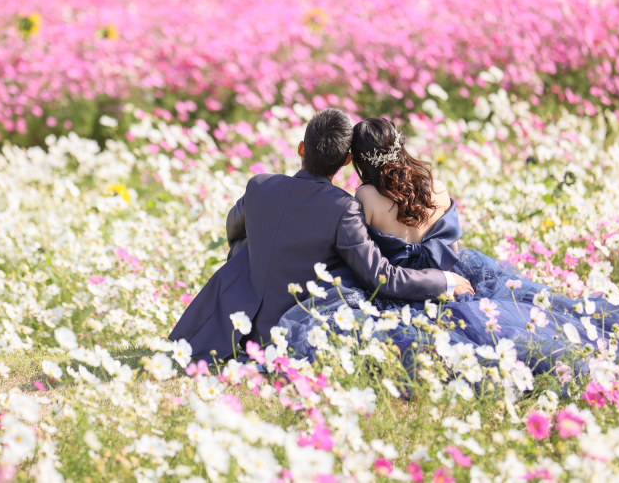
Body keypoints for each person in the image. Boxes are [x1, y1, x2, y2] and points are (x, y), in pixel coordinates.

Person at [278, 117, 619, 371]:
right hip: (455, 274)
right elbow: (452, 245)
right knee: (541, 312)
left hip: (405, 288)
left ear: (358, 161)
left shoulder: (364, 196)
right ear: (400, 145)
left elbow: (364, 254)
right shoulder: (435, 185)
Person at [169, 109, 473, 362]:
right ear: (346, 161)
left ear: (302, 148)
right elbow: (380, 276)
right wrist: (444, 281)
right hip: (298, 330)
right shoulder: (344, 208)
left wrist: (256, 260)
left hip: (232, 324)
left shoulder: (259, 186)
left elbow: (233, 230)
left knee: (249, 246)